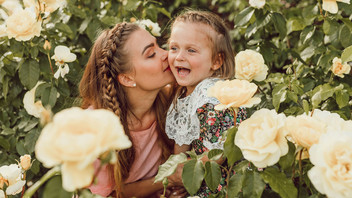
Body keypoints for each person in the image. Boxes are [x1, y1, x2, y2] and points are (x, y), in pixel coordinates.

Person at [79, 22, 186, 198]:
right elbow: (106, 195)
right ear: (127, 79)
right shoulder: (94, 129)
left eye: (159, 46)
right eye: (151, 54)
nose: (166, 55)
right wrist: (168, 179)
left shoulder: (171, 99)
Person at [165, 10, 247, 197]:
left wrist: (185, 178)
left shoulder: (213, 96)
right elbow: (181, 146)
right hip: (199, 174)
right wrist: (177, 177)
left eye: (191, 50)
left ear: (216, 61)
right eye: (174, 48)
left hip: (220, 183)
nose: (179, 57)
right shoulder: (184, 93)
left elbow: (217, 155)